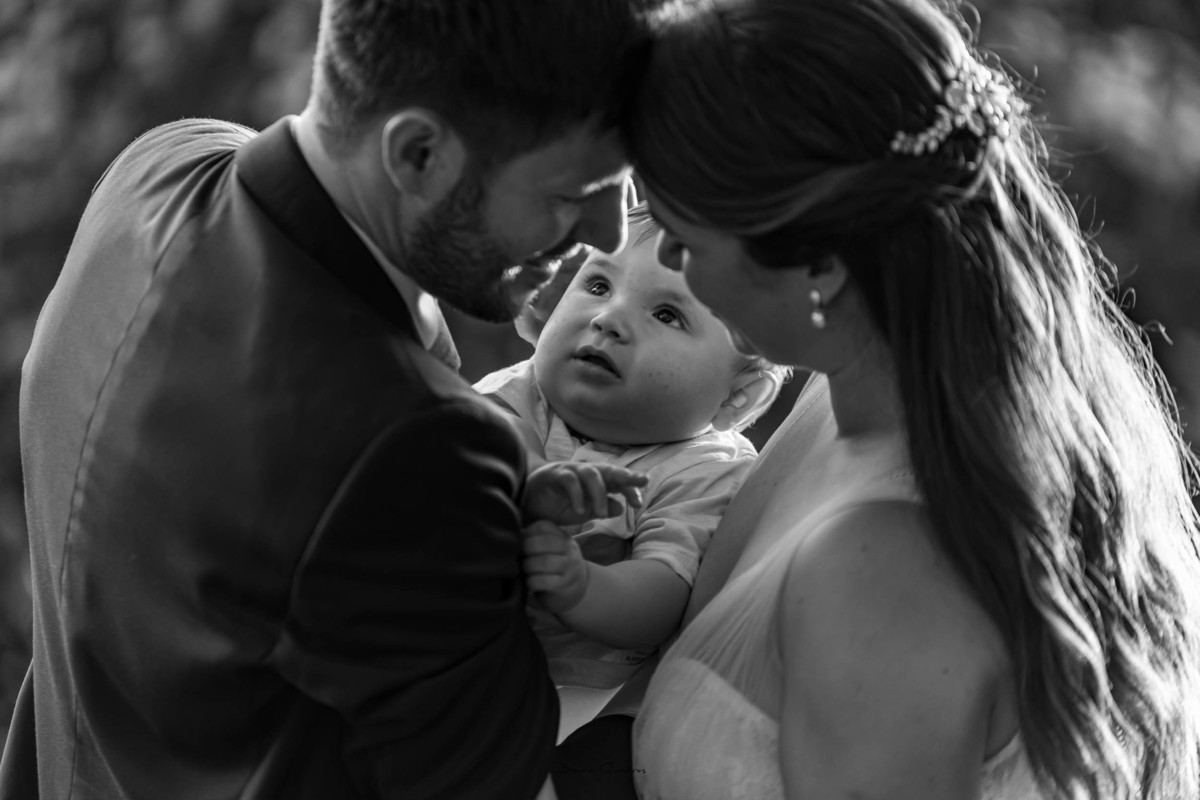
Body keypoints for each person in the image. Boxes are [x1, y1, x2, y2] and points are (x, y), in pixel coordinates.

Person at [0, 1, 660, 798]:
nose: (608, 233)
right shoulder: (415, 448)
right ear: (418, 153)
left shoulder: (159, 167)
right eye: (571, 192)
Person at [558, 0, 1200, 798]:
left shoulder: (890, 564)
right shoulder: (852, 399)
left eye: (684, 239)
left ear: (818, 263)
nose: (672, 264)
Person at [474, 204, 787, 739]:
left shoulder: (705, 471)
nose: (609, 319)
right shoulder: (523, 392)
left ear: (738, 395)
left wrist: (581, 587)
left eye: (667, 315)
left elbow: (662, 592)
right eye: (598, 286)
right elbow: (474, 443)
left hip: (569, 698)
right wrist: (528, 476)